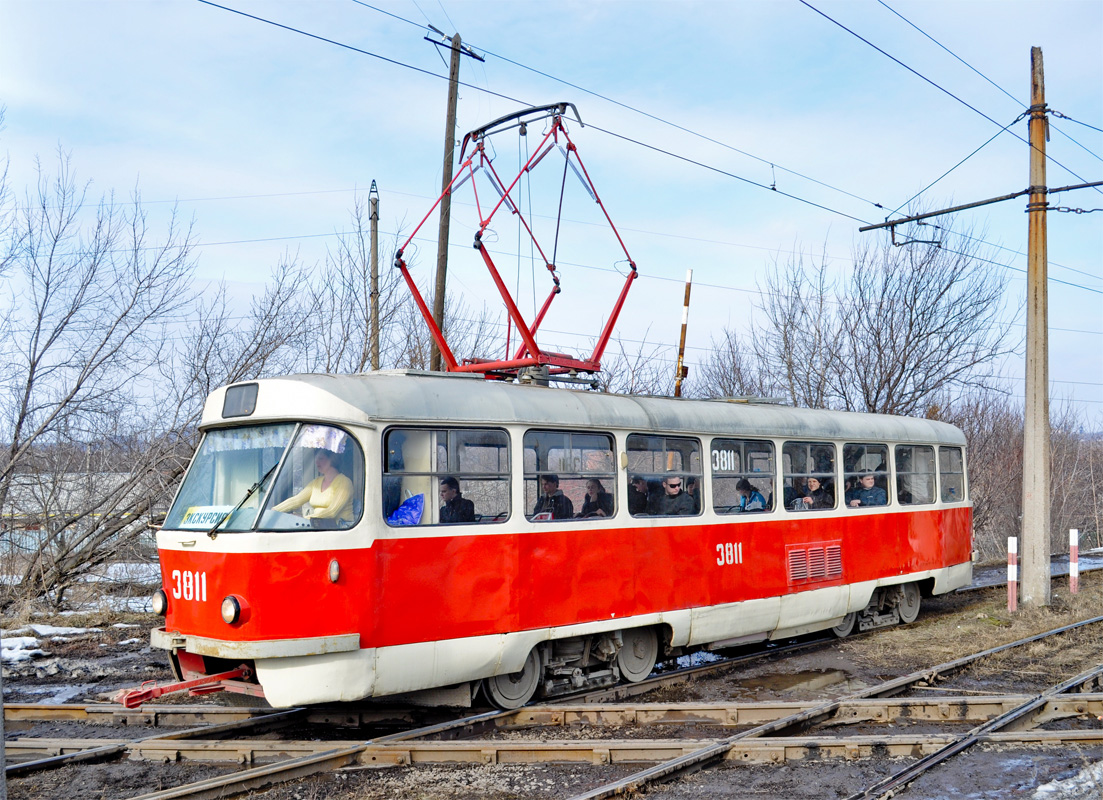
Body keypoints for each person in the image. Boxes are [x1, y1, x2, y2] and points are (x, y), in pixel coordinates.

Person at [273, 449, 354, 522]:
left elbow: (332, 511)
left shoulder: (344, 482)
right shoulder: (316, 482)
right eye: (316, 458)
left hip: (340, 530)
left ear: (332, 460)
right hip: (319, 526)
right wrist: (272, 511)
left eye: (321, 458)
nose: (317, 462)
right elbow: (296, 501)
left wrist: (305, 519)